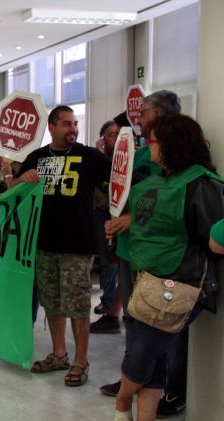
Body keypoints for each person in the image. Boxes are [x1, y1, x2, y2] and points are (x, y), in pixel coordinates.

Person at [109, 114, 224, 421]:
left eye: (153, 141)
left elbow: (214, 238)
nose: (148, 147)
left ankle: (122, 403)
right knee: (154, 354)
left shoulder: (202, 184)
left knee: (142, 353)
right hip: (146, 280)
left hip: (179, 286)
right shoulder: (155, 181)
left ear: (172, 143)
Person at [100, 91, 188, 418]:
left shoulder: (177, 157)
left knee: (161, 328)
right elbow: (124, 192)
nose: (139, 116)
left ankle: (163, 391)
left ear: (163, 114)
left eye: (146, 111)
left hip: (158, 257)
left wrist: (132, 218)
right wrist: (115, 216)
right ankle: (132, 379)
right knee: (134, 323)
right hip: (129, 249)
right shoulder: (140, 154)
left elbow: (170, 205)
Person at [16, 105, 110, 387]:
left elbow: (120, 179)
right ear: (52, 127)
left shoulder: (89, 157)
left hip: (77, 245)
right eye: (67, 124)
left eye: (75, 124)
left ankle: (81, 361)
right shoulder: (37, 157)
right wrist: (22, 178)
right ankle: (59, 354)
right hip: (44, 243)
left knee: (78, 305)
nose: (73, 129)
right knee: (52, 302)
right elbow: (13, 191)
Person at [91, 121, 120, 321]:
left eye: (118, 134)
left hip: (123, 214)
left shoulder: (127, 159)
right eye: (111, 135)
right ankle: (108, 301)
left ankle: (114, 303)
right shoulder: (98, 160)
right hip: (103, 213)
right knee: (108, 258)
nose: (116, 138)